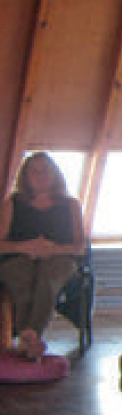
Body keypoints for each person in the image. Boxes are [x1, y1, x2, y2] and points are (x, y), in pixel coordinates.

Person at [0, 152, 85, 358]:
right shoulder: (12, 203)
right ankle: (31, 339)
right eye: (34, 171)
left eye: (45, 170)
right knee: (23, 282)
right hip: (19, 257)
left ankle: (29, 335)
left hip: (60, 258)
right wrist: (25, 246)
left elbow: (80, 247)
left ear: (55, 174)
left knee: (47, 280)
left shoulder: (70, 204)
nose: (40, 175)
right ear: (25, 176)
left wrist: (54, 249)